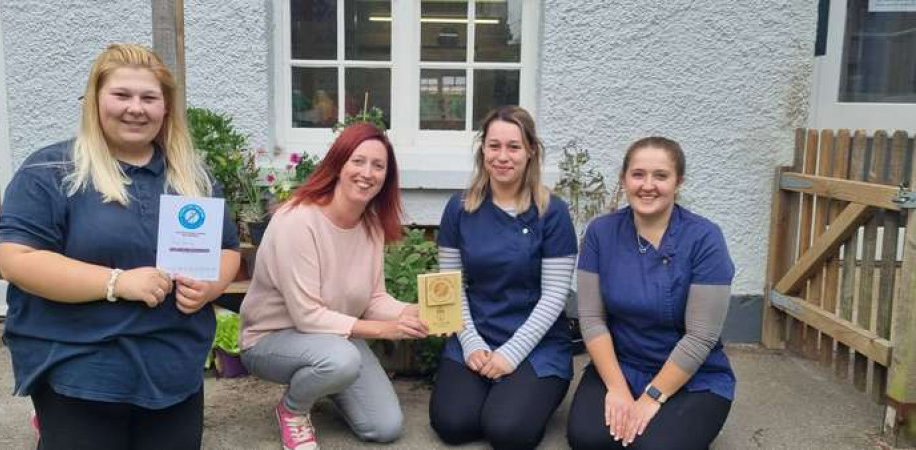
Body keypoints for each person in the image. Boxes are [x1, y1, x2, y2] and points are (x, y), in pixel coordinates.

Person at [0, 43, 240, 450]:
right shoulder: (52, 171)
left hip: (172, 364)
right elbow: (17, 260)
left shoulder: (191, 176)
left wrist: (210, 286)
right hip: (82, 365)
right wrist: (117, 282)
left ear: (166, 109)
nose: (135, 108)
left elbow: (227, 249)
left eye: (149, 98)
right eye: (121, 95)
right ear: (95, 100)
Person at [239, 123, 429, 450]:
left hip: (334, 339)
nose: (367, 173)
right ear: (338, 164)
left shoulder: (370, 225)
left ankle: (324, 382)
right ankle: (293, 410)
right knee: (341, 361)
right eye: (358, 161)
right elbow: (307, 316)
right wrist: (385, 329)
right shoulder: (298, 221)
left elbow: (374, 298)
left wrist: (413, 312)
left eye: (378, 166)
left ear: (387, 177)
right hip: (270, 339)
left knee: (384, 427)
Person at [566, 137, 735, 449]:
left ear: (678, 182)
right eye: (638, 174)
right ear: (624, 179)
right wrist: (616, 388)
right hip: (622, 364)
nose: (648, 185)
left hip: (692, 376)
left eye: (661, 176)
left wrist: (652, 396)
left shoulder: (705, 238)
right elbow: (591, 319)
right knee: (586, 439)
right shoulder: (600, 233)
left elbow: (700, 337)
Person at [428, 105, 578, 450]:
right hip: (477, 332)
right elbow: (448, 286)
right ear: (483, 149)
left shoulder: (551, 212)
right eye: (494, 146)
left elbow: (555, 296)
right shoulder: (459, 208)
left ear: (530, 151)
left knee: (507, 432)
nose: (503, 156)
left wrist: (511, 354)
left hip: (536, 343)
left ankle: (522, 393)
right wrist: (472, 343)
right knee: (454, 424)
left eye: (513, 147)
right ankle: (496, 390)